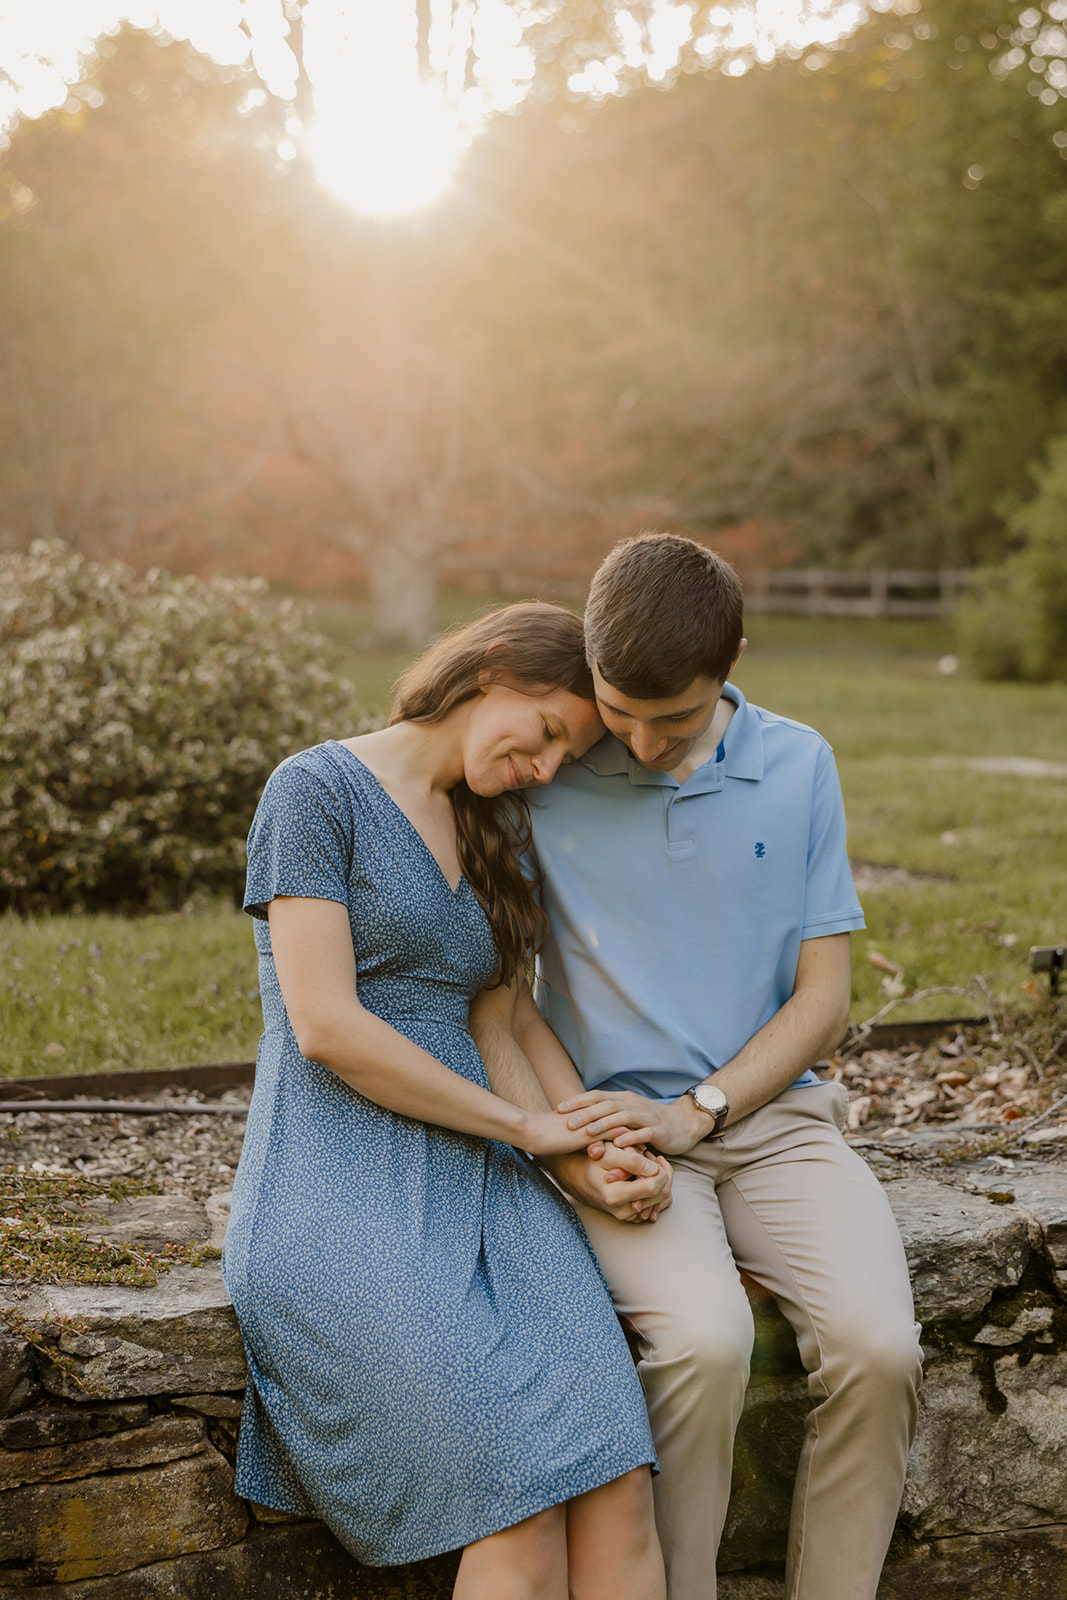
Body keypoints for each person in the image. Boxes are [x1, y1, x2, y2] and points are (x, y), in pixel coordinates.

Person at [470, 536, 924, 1600]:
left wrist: (702, 1109)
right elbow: (498, 1000)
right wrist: (586, 1139)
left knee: (878, 1346)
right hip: (614, 1133)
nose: (636, 740)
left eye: (670, 720)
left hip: (773, 1123)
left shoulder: (798, 762)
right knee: (706, 1343)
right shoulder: (548, 774)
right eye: (617, 710)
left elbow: (822, 1000)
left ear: (732, 663)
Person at [222, 602, 669, 1600]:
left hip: (489, 1193)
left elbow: (501, 1029)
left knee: (615, 1487)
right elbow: (325, 1026)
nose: (546, 768)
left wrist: (587, 1160)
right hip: (337, 1193)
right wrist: (526, 1130)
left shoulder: (495, 826)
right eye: (549, 731)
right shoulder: (313, 791)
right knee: (516, 1510)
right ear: (493, 669)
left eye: (566, 755)